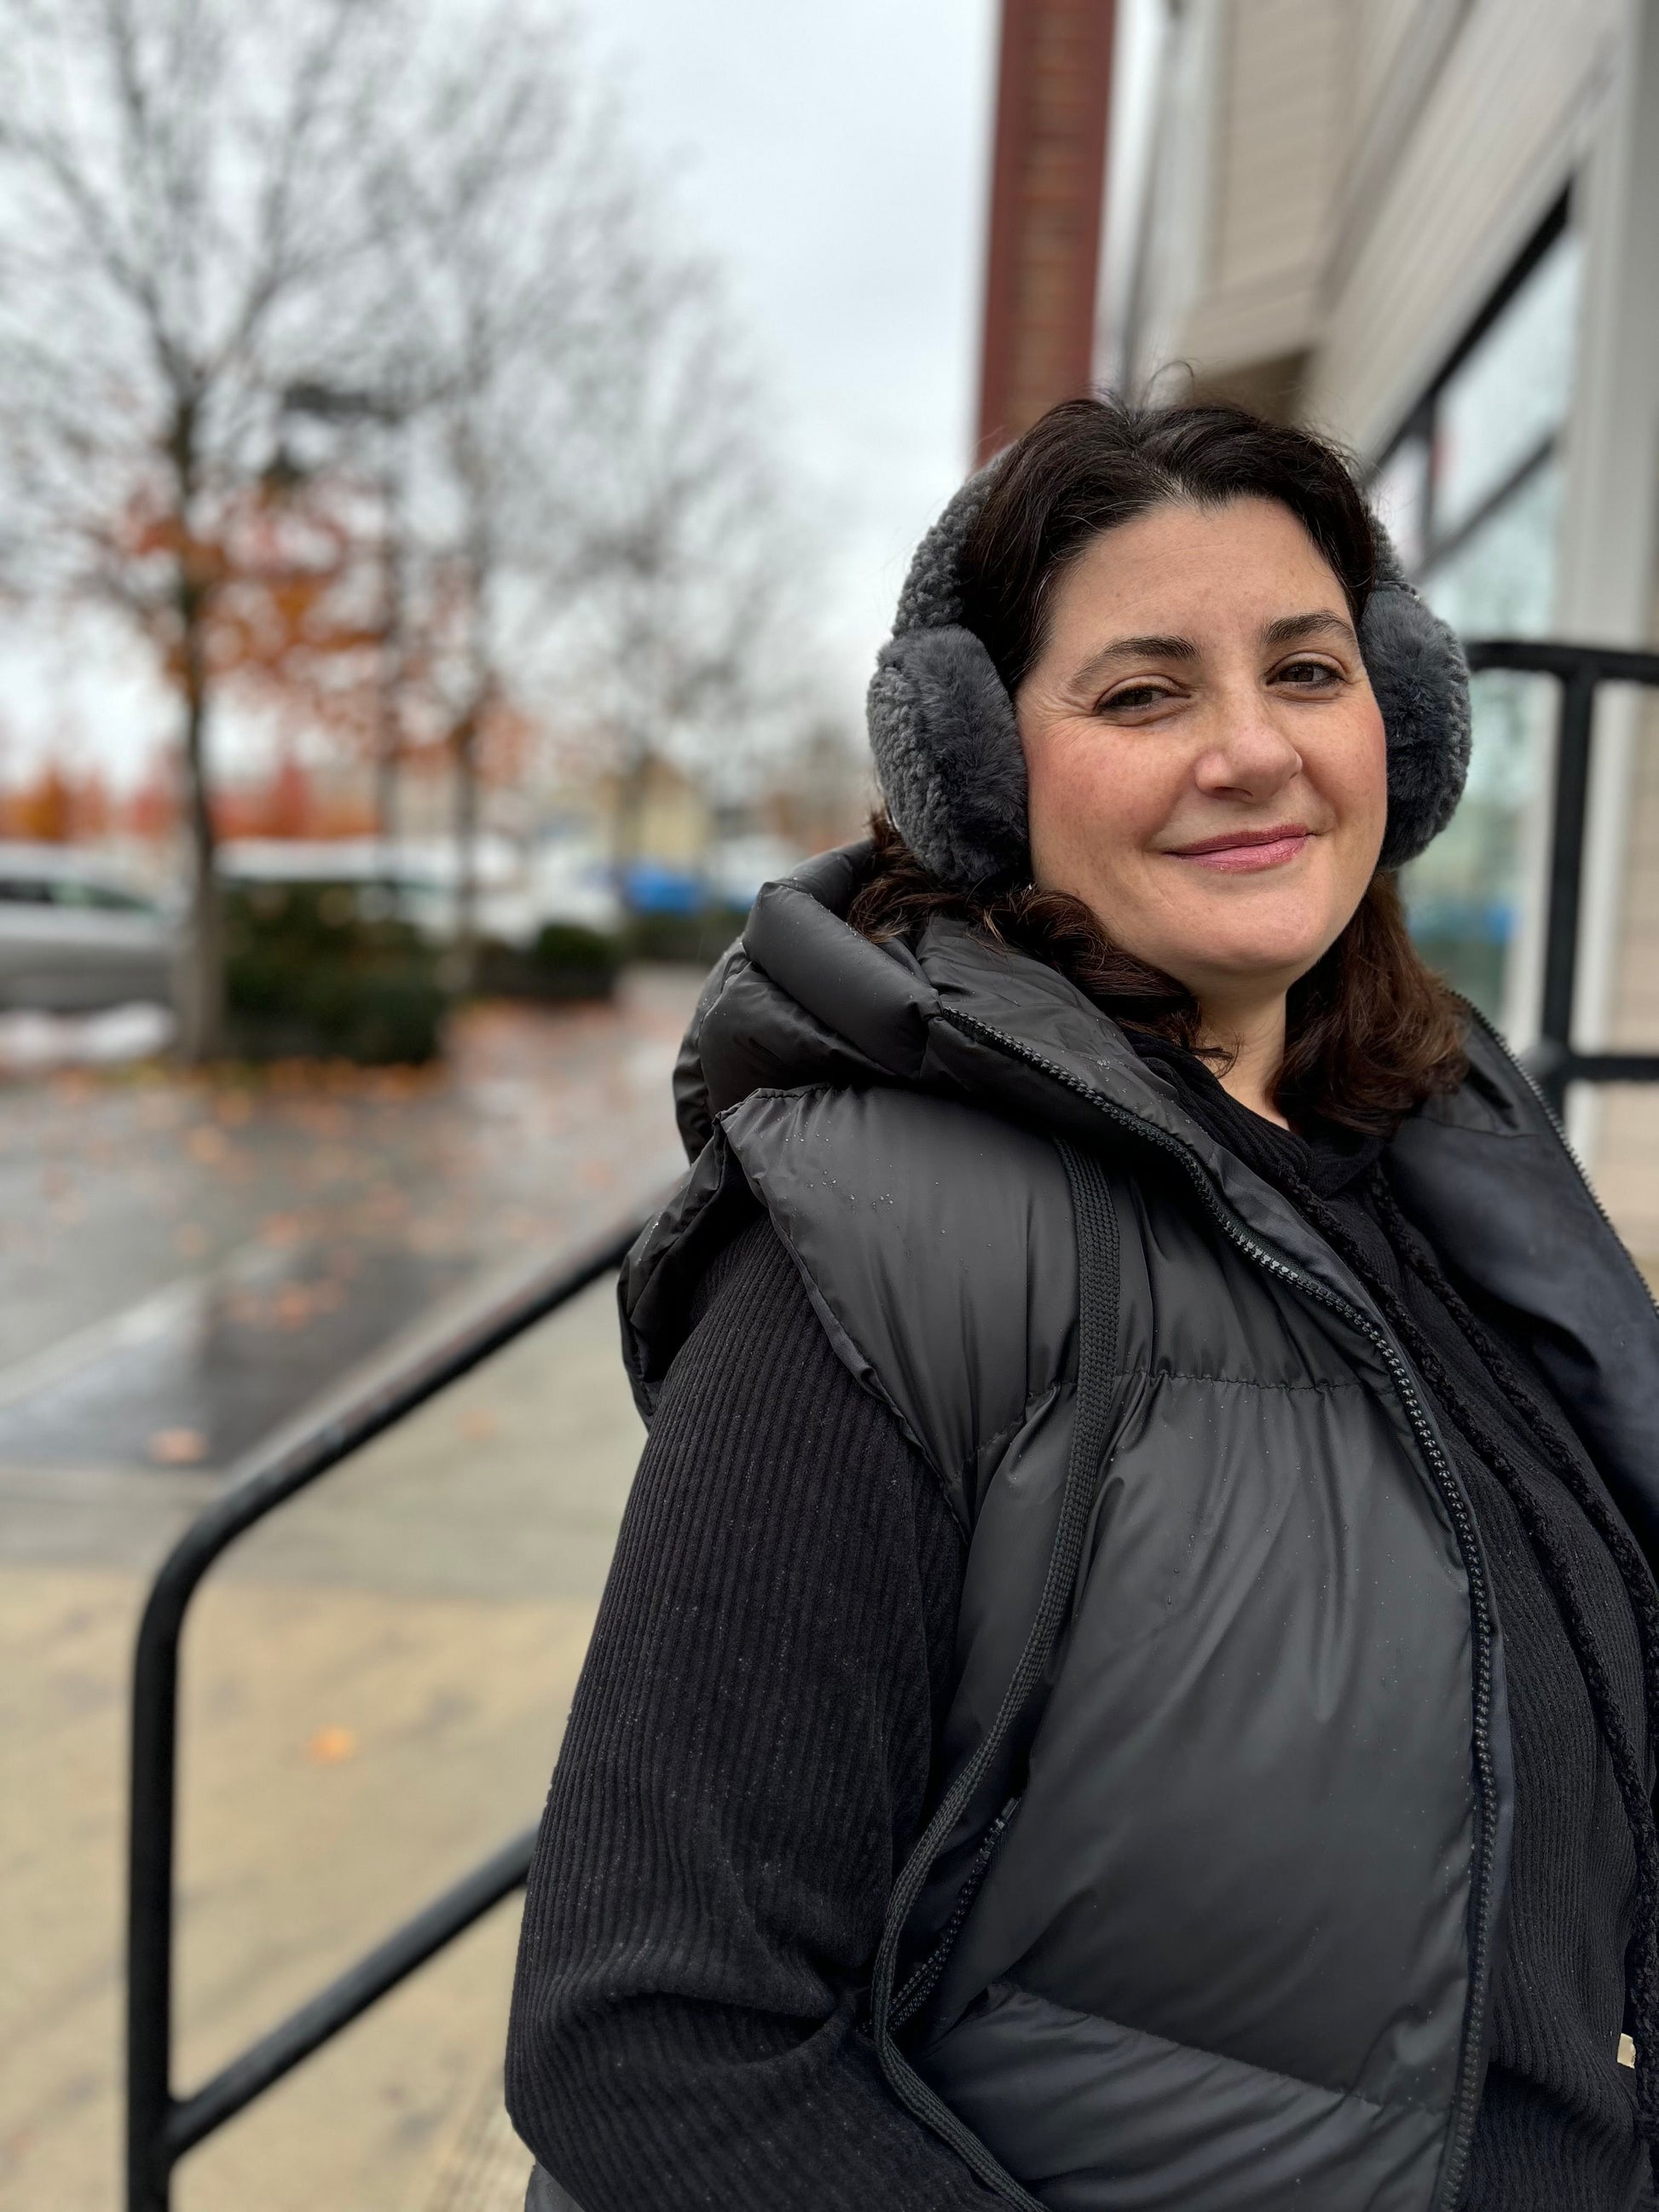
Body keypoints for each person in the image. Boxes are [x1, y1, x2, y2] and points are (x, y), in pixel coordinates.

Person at [506, 398, 1659, 2212]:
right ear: (981, 770)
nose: (1253, 750)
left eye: (1306, 668)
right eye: (1141, 694)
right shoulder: (873, 1242)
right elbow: (654, 2036)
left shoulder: (1453, 1137)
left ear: (1404, 723)